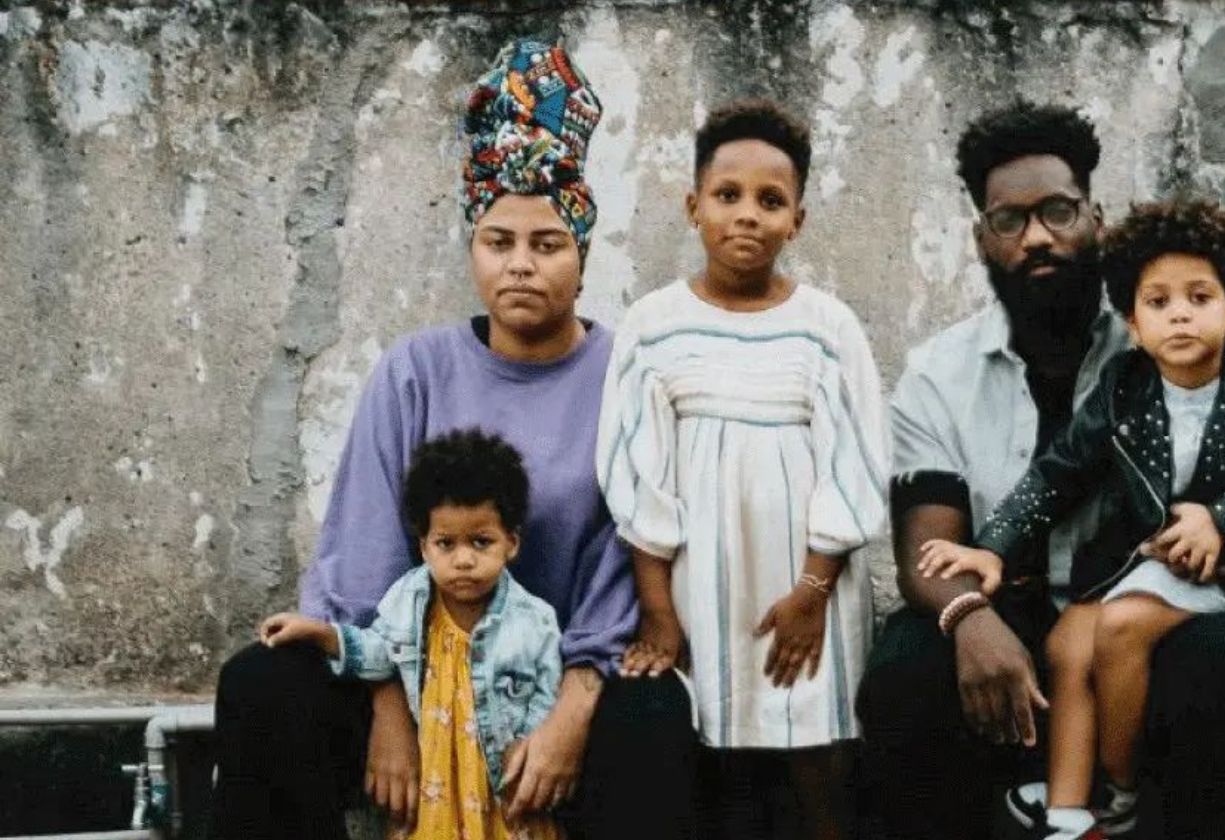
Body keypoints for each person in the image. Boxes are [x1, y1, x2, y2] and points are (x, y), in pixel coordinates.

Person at [855, 101, 1225, 840]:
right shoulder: (939, 375)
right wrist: (969, 618)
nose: (1038, 236)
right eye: (1011, 220)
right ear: (983, 238)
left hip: (1164, 617)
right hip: (1020, 624)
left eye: (1059, 211)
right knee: (908, 672)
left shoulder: (1190, 324)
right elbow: (929, 544)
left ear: (1095, 218)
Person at [207, 38, 696, 840]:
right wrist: (393, 713)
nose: (521, 267)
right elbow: (363, 560)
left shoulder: (625, 375)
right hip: (408, 671)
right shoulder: (414, 374)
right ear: (473, 246)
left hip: (561, 677)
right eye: (498, 242)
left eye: (547, 245)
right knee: (263, 684)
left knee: (654, 719)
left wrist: (570, 715)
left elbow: (623, 564)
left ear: (583, 252)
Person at [919, 201, 1225, 839]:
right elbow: (1060, 473)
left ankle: (1120, 793)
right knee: (1068, 644)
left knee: (1120, 626)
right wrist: (993, 549)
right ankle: (1066, 816)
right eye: (1158, 301)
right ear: (1134, 324)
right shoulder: (1125, 385)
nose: (1179, 313)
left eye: (1200, 297)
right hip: (1147, 563)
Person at [597, 99, 888, 840]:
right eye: (727, 196)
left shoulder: (826, 327)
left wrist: (814, 591)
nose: (747, 216)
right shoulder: (654, 325)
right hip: (702, 587)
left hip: (807, 588)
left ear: (798, 219)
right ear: (693, 206)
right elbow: (637, 472)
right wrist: (660, 610)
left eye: (771, 200)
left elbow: (855, 464)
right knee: (717, 760)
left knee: (816, 755)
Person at [258, 429, 563, 840]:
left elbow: (549, 688)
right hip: (437, 780)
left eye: (481, 542)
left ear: (511, 543)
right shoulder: (409, 601)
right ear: (424, 547)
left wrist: (528, 744)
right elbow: (377, 652)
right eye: (446, 543)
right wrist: (322, 634)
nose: (464, 560)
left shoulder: (533, 620)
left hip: (497, 785)